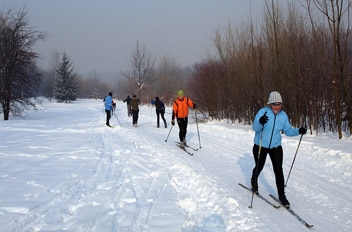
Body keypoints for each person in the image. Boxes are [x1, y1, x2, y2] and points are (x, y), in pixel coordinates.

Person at [250, 91, 307, 207]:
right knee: (259, 166)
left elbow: (288, 131)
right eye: (274, 104)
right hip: (260, 145)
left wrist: (299, 131)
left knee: (278, 170)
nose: (277, 107)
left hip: (275, 146)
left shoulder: (283, 116)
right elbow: (255, 128)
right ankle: (253, 181)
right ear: (270, 104)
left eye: (279, 104)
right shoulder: (263, 112)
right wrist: (260, 122)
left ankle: (282, 195)